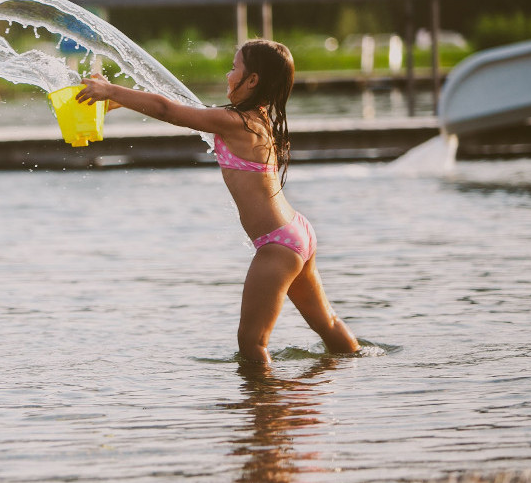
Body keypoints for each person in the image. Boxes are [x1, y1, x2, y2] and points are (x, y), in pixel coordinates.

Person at [75, 39, 360, 364]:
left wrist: (111, 90)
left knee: (252, 344)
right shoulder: (257, 119)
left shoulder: (235, 123)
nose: (228, 74)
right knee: (328, 324)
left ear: (252, 80)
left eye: (234, 68)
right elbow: (176, 106)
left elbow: (169, 111)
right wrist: (123, 102)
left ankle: (264, 411)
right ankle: (361, 374)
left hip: (278, 246)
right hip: (296, 233)